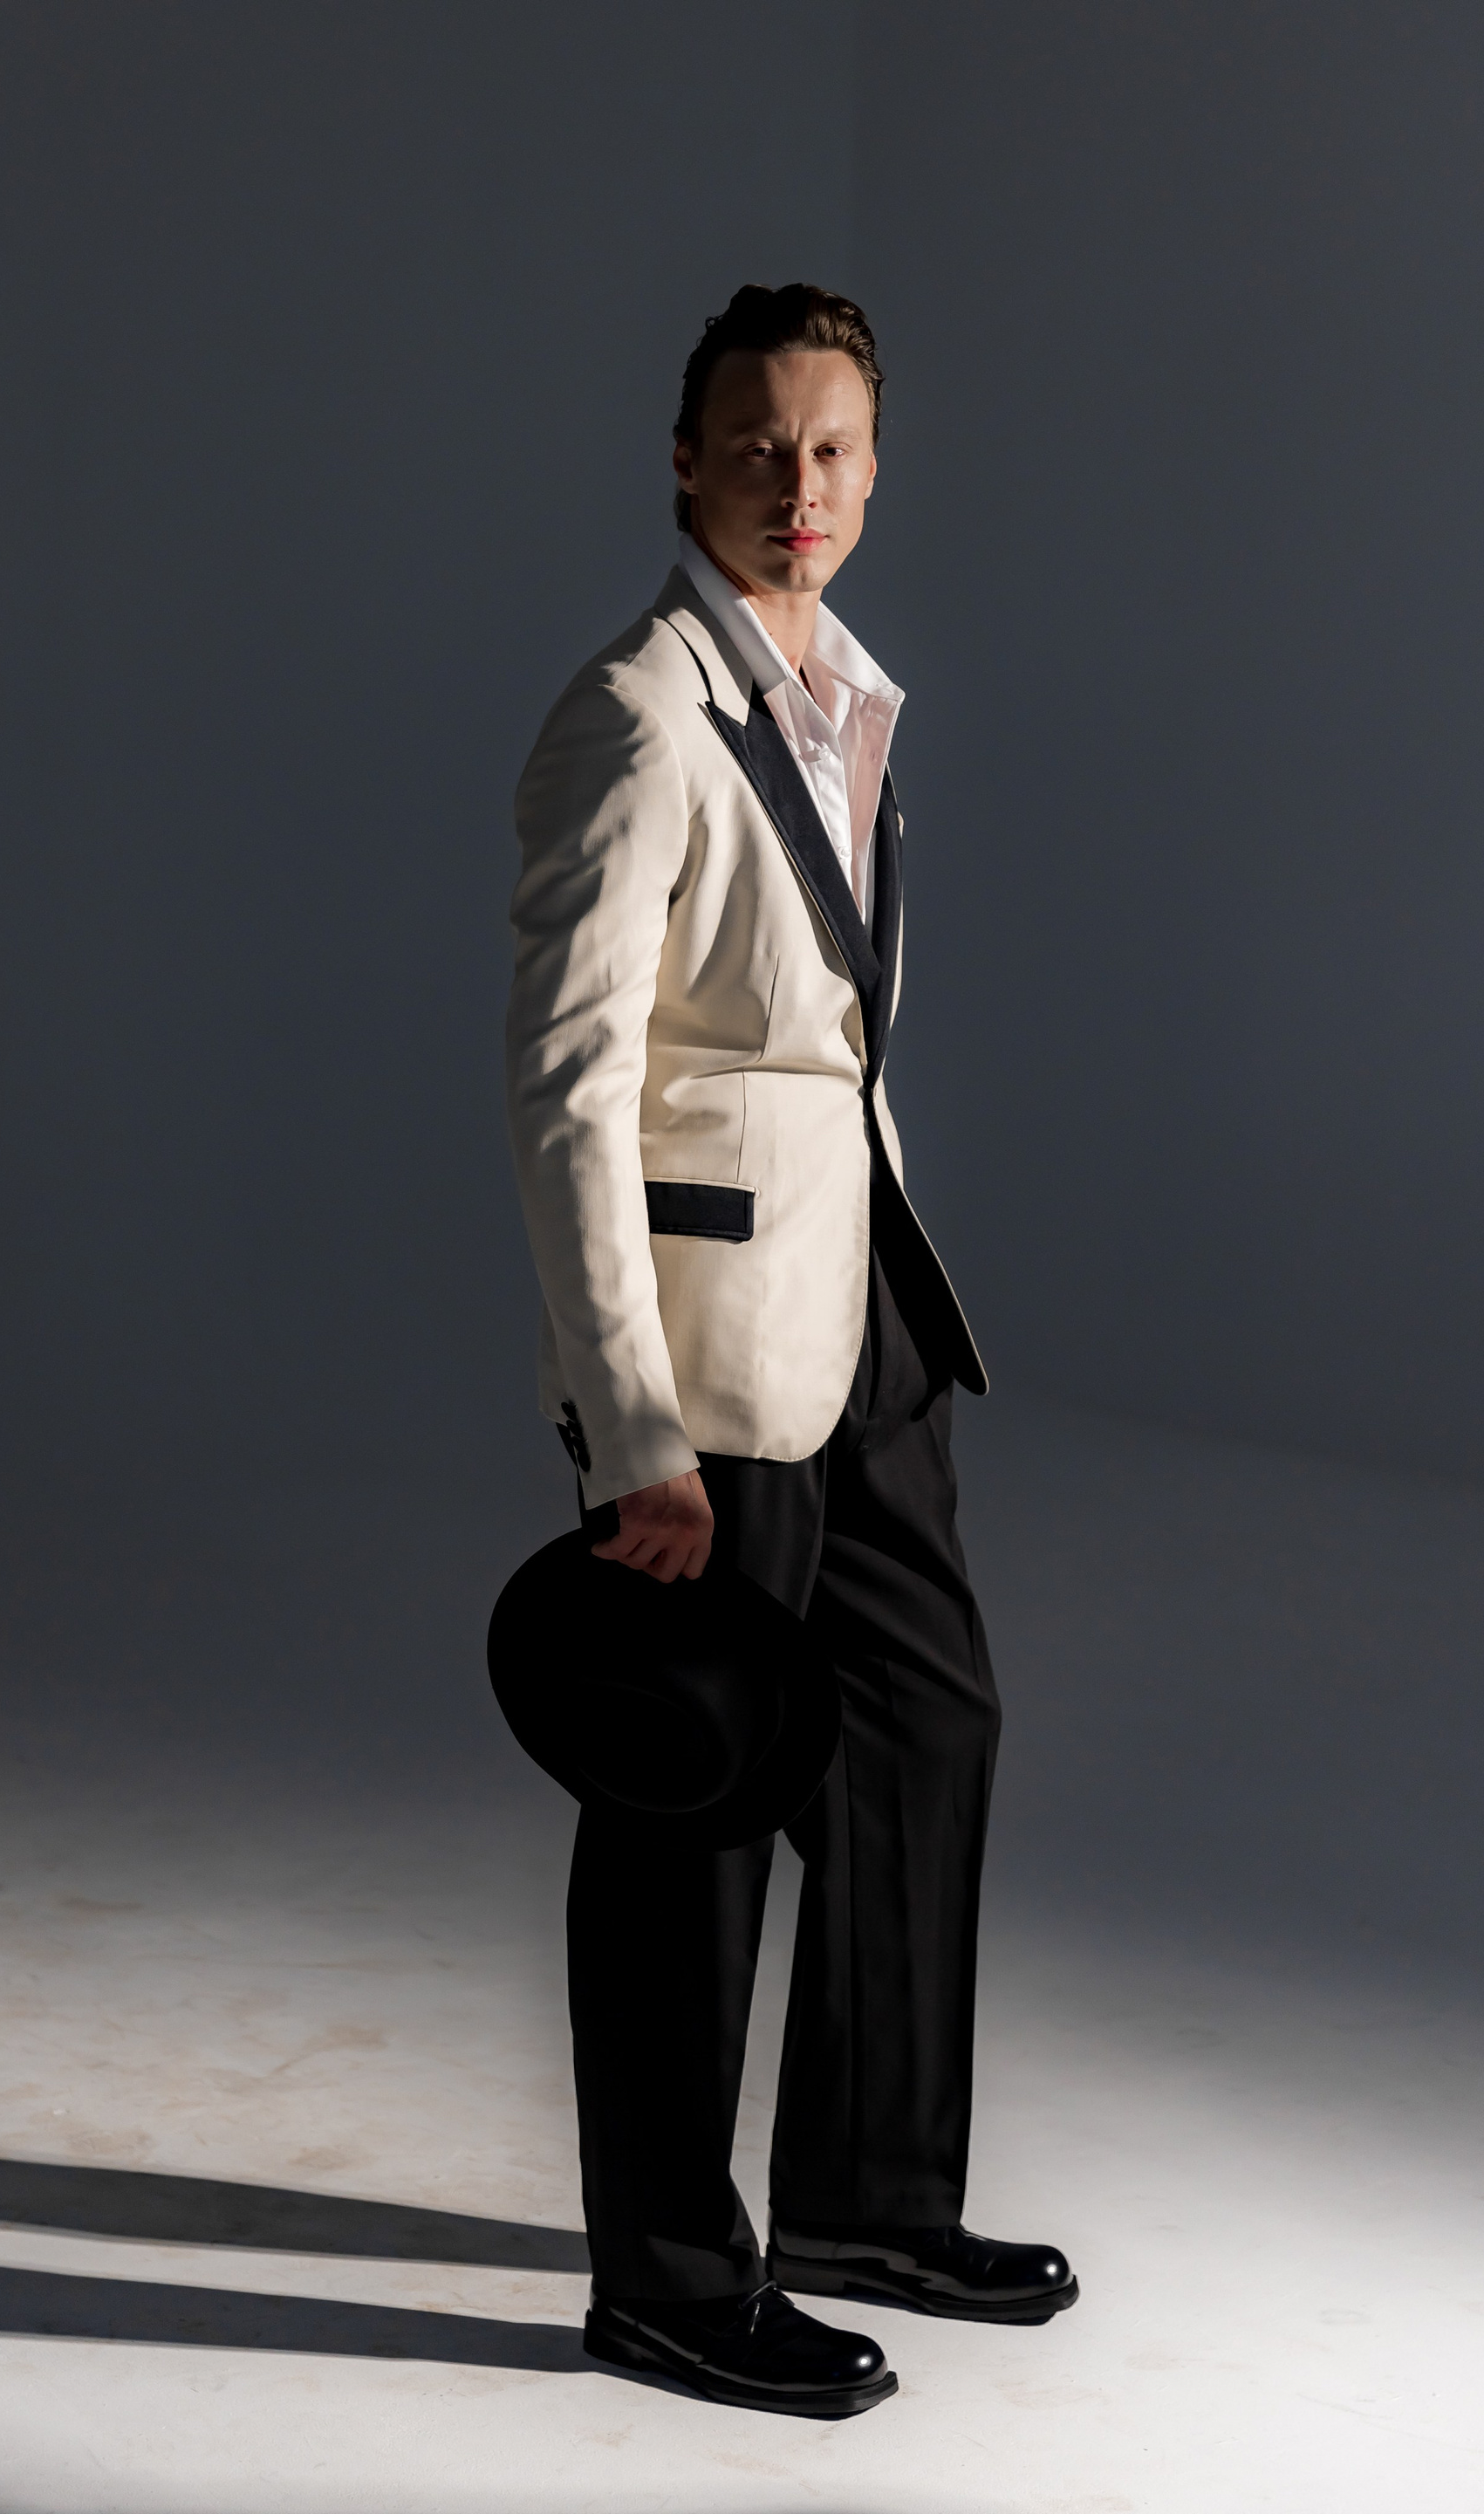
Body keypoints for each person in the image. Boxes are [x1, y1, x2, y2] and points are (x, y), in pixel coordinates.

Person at [504, 284, 1075, 2420]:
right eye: (757, 445)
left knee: (929, 1723)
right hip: (714, 1360)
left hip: (868, 1313)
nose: (800, 485)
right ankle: (665, 2274)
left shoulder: (847, 695)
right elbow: (570, 1089)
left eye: (833, 448)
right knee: (698, 1788)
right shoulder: (635, 716)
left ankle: (867, 2194)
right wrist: (626, 1421)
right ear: (685, 460)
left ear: (874, 466)